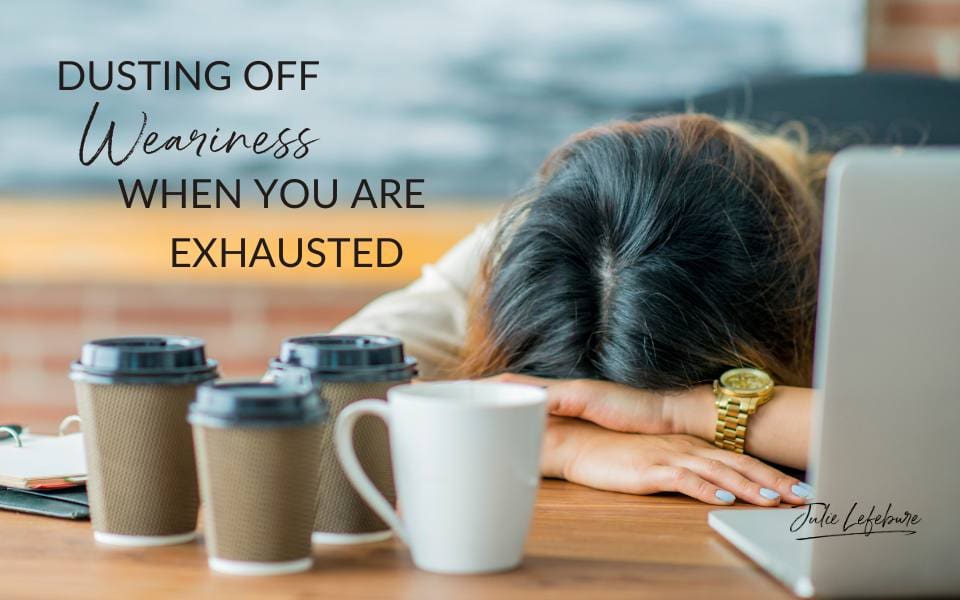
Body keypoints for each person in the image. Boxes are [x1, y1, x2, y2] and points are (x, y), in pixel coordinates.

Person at [334, 114, 830, 507]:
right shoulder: (540, 240)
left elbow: (909, 442)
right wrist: (560, 444)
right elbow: (310, 396)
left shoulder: (866, 232)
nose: (616, 428)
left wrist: (674, 411)